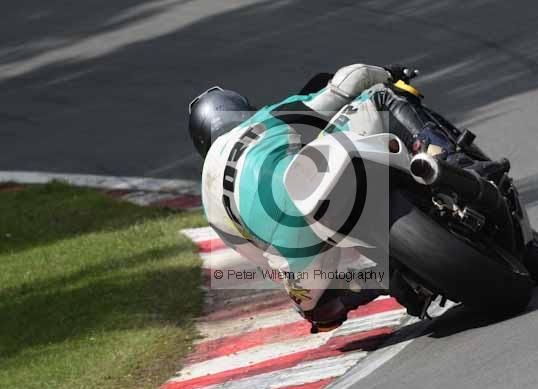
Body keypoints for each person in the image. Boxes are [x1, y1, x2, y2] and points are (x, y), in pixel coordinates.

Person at [188, 63, 505, 332]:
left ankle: (396, 280)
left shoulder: (210, 202)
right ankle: (456, 161)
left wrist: (308, 289)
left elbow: (262, 257)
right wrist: (388, 73)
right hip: (317, 187)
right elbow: (349, 82)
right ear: (243, 109)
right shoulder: (267, 117)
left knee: (321, 311)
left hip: (298, 255)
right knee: (380, 96)